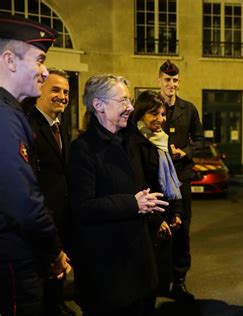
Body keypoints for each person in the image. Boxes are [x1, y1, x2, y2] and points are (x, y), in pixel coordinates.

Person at [66, 74, 168, 315]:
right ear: (98, 105)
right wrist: (131, 204)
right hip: (109, 273)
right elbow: (83, 207)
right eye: (123, 101)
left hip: (140, 266)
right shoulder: (83, 149)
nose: (130, 108)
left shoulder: (131, 141)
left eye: (130, 101)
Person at [0, 14, 70, 316]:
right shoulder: (5, 117)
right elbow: (23, 200)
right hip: (13, 260)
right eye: (39, 60)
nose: (43, 72)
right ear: (9, 60)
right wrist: (53, 251)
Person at [26, 68, 74, 316]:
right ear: (39, 90)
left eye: (66, 92)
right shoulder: (28, 126)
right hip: (41, 214)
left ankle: (57, 304)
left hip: (61, 212)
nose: (63, 96)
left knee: (58, 266)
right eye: (55, 90)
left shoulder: (61, 125)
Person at [158, 60, 204, 302]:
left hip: (181, 176)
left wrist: (184, 151)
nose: (172, 84)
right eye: (167, 80)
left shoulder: (189, 108)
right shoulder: (150, 106)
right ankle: (159, 279)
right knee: (157, 226)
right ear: (159, 81)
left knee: (181, 229)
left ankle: (179, 280)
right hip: (155, 177)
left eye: (175, 80)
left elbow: (200, 139)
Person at [132, 90, 184, 297]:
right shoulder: (135, 142)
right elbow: (139, 184)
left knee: (160, 278)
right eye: (154, 114)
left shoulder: (162, 141)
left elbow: (173, 180)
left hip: (166, 216)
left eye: (162, 114)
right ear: (141, 114)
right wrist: (156, 219)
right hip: (148, 220)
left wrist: (177, 213)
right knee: (146, 281)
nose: (160, 119)